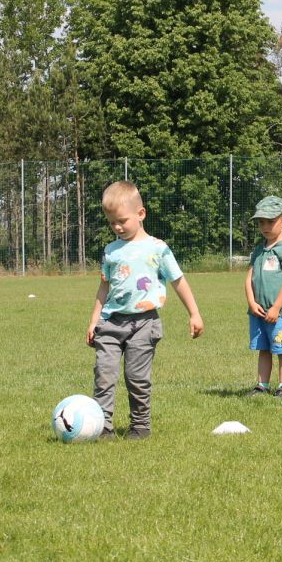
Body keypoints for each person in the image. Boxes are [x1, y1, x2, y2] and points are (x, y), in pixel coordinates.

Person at [86, 180, 204, 439]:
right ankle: (101, 426)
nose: (117, 227)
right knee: (104, 376)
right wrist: (94, 321)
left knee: (136, 378)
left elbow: (178, 280)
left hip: (144, 323)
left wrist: (194, 313)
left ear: (141, 214)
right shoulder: (111, 251)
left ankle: (140, 426)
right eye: (111, 222)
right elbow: (103, 289)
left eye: (122, 220)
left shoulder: (157, 248)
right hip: (111, 323)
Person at [245, 196, 282, 396]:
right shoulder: (259, 249)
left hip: (278, 313)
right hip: (258, 312)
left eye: (270, 221)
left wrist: (276, 307)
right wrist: (251, 302)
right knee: (264, 349)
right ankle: (262, 385)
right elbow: (248, 278)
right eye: (261, 222)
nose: (265, 226)